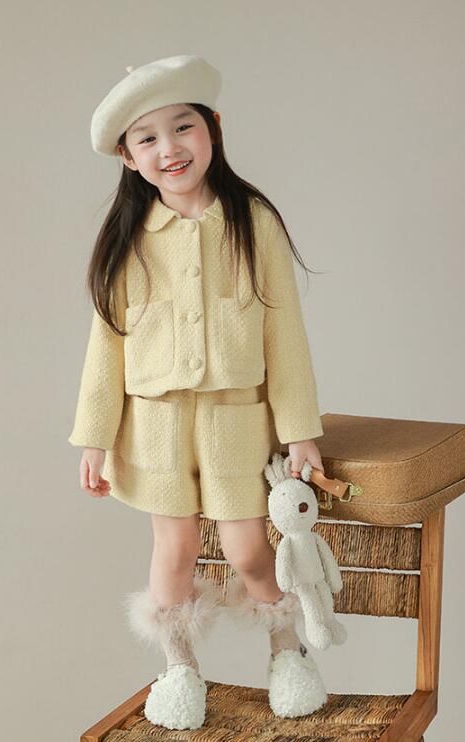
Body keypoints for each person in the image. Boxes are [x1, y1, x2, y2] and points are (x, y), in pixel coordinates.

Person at [68, 55, 328, 730]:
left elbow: (285, 336)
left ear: (213, 126)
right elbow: (106, 347)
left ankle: (289, 651)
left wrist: (300, 430)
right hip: (153, 425)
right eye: (147, 138)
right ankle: (179, 668)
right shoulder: (126, 240)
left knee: (248, 550)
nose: (169, 148)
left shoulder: (253, 222)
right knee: (175, 549)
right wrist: (94, 438)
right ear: (128, 157)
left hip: (235, 420)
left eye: (183, 126)